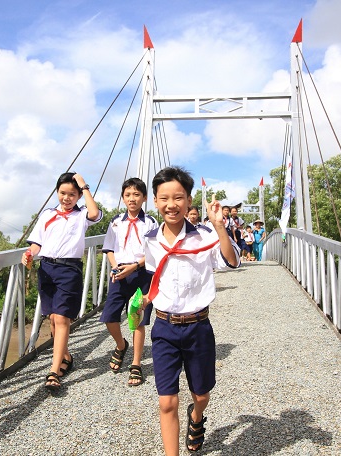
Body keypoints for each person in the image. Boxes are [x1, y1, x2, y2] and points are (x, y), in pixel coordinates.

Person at [141, 166, 240, 455]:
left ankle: (196, 417)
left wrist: (220, 226)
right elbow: (156, 276)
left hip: (198, 327)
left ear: (188, 200)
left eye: (178, 197)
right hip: (164, 328)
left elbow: (231, 262)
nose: (171, 205)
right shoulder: (150, 239)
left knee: (201, 394)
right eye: (164, 198)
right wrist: (146, 299)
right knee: (166, 402)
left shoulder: (205, 235)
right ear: (156, 202)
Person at [22, 172, 102, 391]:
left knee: (62, 318)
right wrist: (29, 253)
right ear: (57, 192)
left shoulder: (82, 214)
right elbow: (37, 243)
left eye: (72, 194)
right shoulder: (48, 214)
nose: (67, 198)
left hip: (69, 269)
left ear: (78, 195)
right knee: (52, 319)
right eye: (62, 193)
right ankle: (65, 357)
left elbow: (95, 213)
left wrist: (85, 186)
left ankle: (53, 371)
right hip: (47, 268)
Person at [100, 177, 158, 386]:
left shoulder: (151, 222)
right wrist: (116, 267)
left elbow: (154, 252)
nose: (132, 199)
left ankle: (136, 364)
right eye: (127, 195)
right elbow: (109, 248)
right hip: (119, 272)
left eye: (136, 194)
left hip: (141, 272)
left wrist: (134, 266)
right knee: (109, 316)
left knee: (138, 319)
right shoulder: (116, 221)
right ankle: (121, 344)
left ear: (143, 198)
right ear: (123, 198)